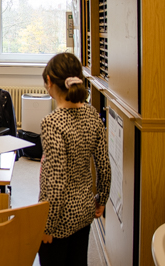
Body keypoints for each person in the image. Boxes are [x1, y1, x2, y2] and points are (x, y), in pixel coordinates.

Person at [38, 52, 111, 265]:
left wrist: (47, 226)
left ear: (49, 82)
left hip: (58, 218)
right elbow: (104, 165)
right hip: (85, 210)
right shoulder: (92, 115)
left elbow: (56, 182)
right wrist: (102, 200)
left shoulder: (52, 123)